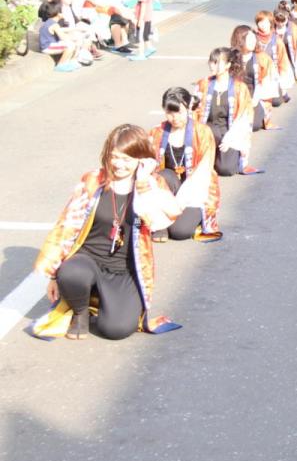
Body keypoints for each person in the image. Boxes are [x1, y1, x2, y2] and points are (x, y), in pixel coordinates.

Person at [32, 124, 182, 340]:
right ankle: (80, 312)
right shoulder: (94, 180)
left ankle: (99, 304)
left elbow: (164, 219)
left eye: (127, 159)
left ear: (142, 159)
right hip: (88, 259)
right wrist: (54, 275)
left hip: (125, 269)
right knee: (72, 273)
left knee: (117, 329)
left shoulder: (152, 183)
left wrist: (142, 183)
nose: (119, 165)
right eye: (115, 157)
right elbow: (66, 225)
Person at [148, 87, 222, 241]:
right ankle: (161, 223)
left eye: (179, 112)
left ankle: (184, 220)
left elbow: (204, 172)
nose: (174, 118)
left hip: (195, 190)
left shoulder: (202, 132)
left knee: (179, 232)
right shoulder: (157, 133)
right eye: (170, 113)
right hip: (168, 189)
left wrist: (181, 202)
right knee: (162, 175)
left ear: (188, 108)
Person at [195, 47, 257, 177]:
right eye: (211, 62)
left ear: (228, 65)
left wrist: (230, 138)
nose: (213, 65)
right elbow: (194, 111)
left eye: (217, 62)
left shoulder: (239, 87)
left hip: (230, 132)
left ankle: (216, 158)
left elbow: (245, 117)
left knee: (226, 169)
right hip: (208, 130)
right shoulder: (203, 84)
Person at [38, 0, 85, 72]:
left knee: (72, 42)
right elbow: (63, 37)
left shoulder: (50, 22)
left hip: (48, 46)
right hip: (47, 47)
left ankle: (68, 63)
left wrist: (76, 30)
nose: (64, 13)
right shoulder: (54, 24)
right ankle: (61, 65)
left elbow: (62, 30)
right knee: (70, 45)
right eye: (62, 11)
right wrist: (74, 40)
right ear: (58, 14)